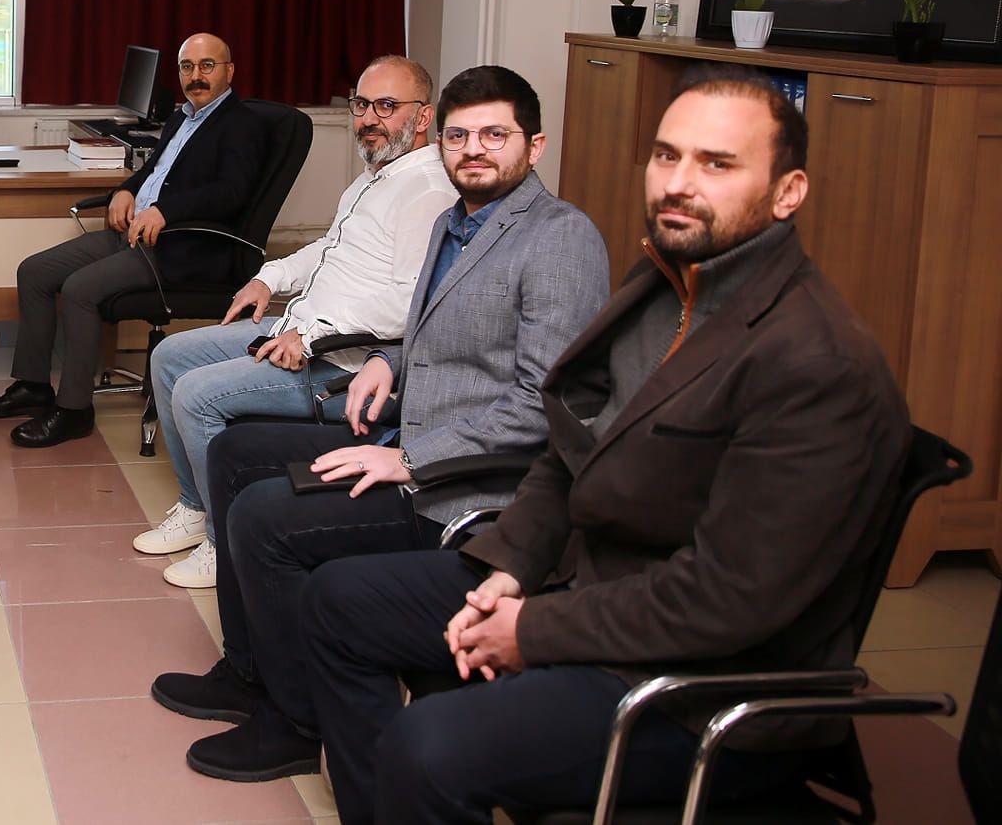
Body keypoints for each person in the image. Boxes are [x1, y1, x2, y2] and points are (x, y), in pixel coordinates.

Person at [189, 67, 910, 825]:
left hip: (691, 682)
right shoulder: (665, 286)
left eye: (718, 163)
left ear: (788, 192)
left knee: (423, 746)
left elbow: (728, 598)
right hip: (579, 582)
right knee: (339, 604)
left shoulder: (816, 363)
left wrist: (531, 626)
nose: (679, 182)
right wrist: (511, 565)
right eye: (667, 155)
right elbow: (570, 446)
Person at [149, 65, 609, 757]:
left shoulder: (559, 238)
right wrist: (390, 360)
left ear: (534, 145)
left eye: (494, 135)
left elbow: (542, 404)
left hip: (465, 487)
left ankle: (296, 721)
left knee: (262, 517)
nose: (473, 149)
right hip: (408, 429)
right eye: (460, 135)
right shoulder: (456, 222)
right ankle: (248, 673)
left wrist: (409, 458)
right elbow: (435, 325)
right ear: (438, 139)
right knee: (234, 455)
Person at [131, 55, 458, 586]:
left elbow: (409, 303)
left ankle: (222, 543)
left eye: (386, 106)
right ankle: (195, 505)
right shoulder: (375, 178)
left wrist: (310, 334)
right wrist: (270, 278)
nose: (368, 118)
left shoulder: (427, 192)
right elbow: (331, 247)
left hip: (340, 363)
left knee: (195, 394)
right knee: (169, 356)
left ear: (423, 116)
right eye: (361, 105)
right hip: (300, 329)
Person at [0, 33, 268, 448]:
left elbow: (232, 192)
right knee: (35, 272)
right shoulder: (182, 118)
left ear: (229, 71)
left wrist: (166, 211)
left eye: (207, 66)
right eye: (187, 67)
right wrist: (124, 191)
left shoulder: (241, 125)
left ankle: (74, 410)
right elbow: (152, 172)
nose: (196, 76)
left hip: (182, 247)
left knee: (80, 289)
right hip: (136, 233)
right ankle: (33, 386)